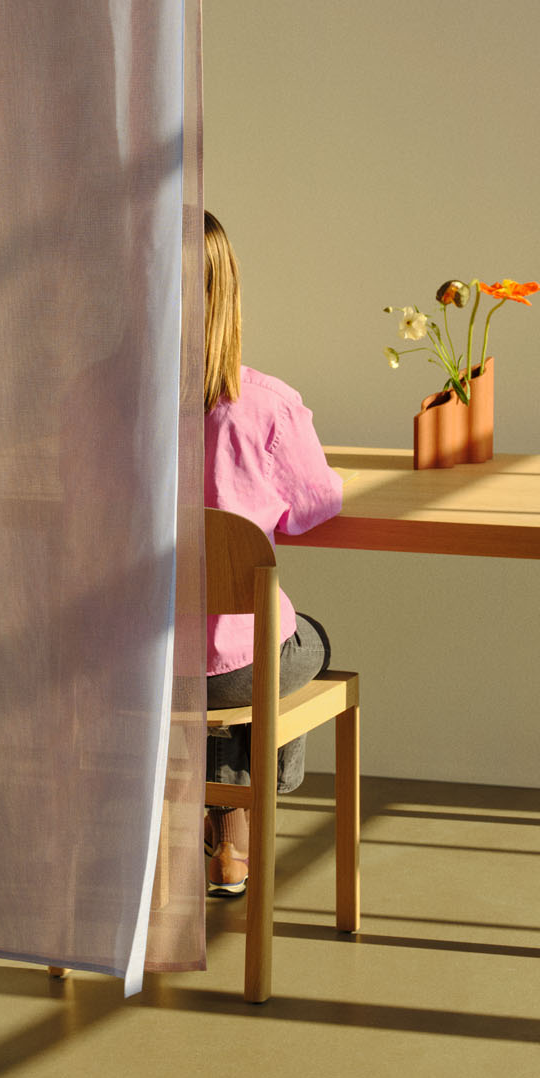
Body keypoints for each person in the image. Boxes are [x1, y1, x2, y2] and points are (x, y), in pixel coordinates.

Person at [203, 210, 344, 895]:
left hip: (123, 660)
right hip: (224, 673)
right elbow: (313, 509)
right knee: (291, 642)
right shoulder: (264, 407)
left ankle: (205, 821)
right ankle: (236, 835)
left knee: (227, 637)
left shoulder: (92, 397)